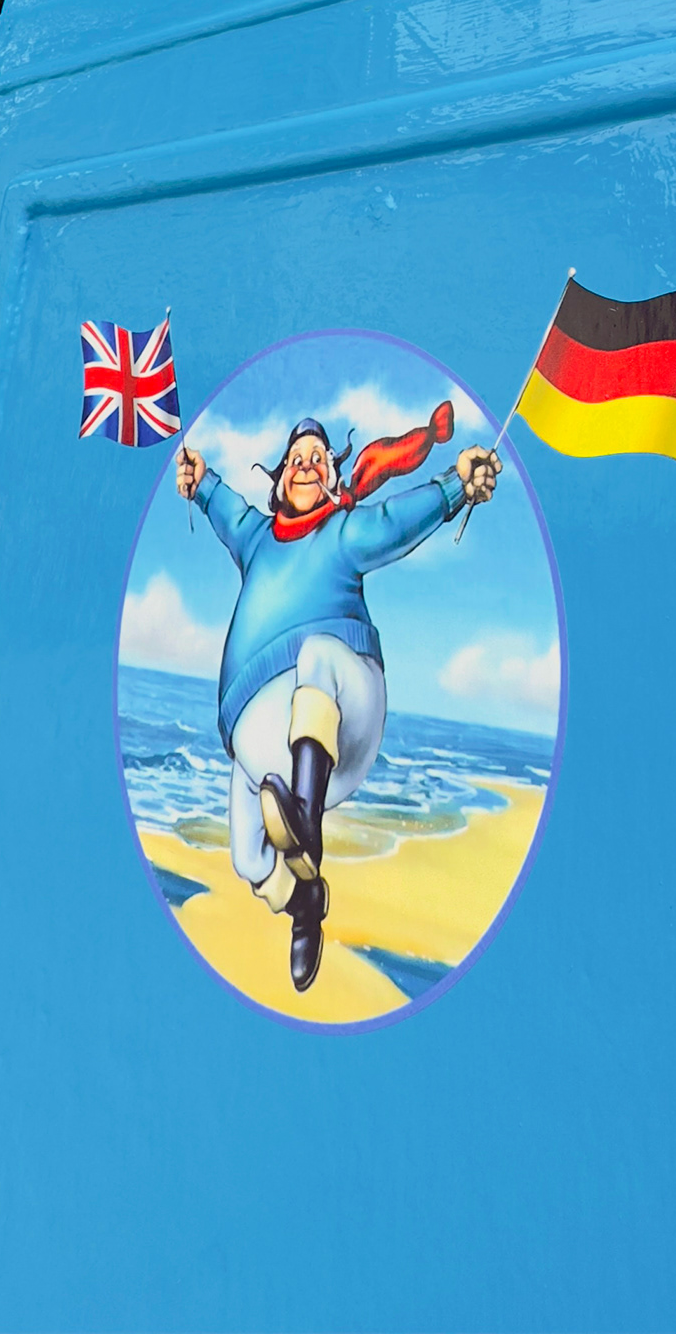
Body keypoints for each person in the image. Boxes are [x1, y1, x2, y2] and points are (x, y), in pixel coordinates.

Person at [176, 405, 500, 991]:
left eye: (318, 459)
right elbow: (225, 508)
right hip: (265, 749)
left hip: (346, 710)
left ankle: (303, 818)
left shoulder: (344, 533)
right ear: (277, 479)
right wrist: (200, 482)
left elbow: (401, 519)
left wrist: (458, 483)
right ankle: (305, 906)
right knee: (248, 861)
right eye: (295, 459)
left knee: (317, 656)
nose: (305, 465)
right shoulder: (256, 540)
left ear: (332, 476)